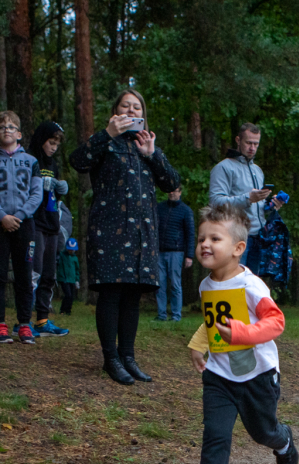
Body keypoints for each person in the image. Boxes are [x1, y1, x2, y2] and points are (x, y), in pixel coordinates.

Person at [183, 203, 298, 464]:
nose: (205, 244)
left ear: (237, 249)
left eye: (214, 239)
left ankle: (284, 440)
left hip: (257, 375)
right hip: (219, 375)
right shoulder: (207, 285)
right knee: (215, 433)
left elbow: (276, 322)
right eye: (201, 238)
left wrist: (242, 333)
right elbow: (212, 321)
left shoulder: (251, 286)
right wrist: (198, 344)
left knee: (262, 432)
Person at [69, 88, 180, 385]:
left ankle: (128, 357)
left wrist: (153, 155)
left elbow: (172, 182)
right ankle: (111, 359)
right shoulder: (106, 141)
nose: (132, 111)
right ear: (116, 111)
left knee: (132, 295)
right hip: (109, 230)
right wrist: (106, 134)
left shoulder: (147, 145)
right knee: (112, 292)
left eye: (137, 107)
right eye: (125, 106)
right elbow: (78, 160)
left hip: (142, 233)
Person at [0, 110, 42, 344]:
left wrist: (20, 215)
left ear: (20, 134)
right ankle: (0, 325)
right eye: (2, 126)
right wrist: (2, 216)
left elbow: (36, 193)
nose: (7, 129)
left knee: (24, 274)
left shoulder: (31, 161)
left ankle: (24, 324)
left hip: (25, 224)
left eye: (11, 126)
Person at [208, 123, 284, 277]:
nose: (252, 147)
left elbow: (256, 207)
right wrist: (248, 198)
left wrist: (271, 206)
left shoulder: (258, 171)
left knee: (252, 286)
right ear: (238, 140)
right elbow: (215, 202)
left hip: (259, 237)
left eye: (256, 144)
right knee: (234, 283)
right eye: (248, 143)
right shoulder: (223, 168)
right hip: (235, 237)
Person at [28, 120, 71, 337]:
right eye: (50, 142)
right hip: (35, 222)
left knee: (48, 273)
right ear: (41, 140)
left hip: (52, 222)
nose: (53, 147)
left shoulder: (53, 164)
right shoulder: (30, 160)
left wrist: (60, 187)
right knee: (33, 271)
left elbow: (55, 193)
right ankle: (24, 319)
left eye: (56, 144)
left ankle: (42, 319)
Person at [155, 184, 195, 322]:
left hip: (176, 252)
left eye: (175, 191)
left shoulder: (186, 211)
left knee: (175, 284)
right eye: (170, 190)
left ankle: (176, 315)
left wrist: (189, 255)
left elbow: (190, 234)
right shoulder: (159, 208)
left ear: (180, 192)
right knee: (159, 284)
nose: (172, 193)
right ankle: (161, 315)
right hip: (160, 251)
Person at [58, 238, 80, 315]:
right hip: (64, 279)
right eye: (69, 249)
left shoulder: (75, 258)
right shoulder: (62, 255)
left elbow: (77, 270)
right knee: (68, 294)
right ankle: (62, 310)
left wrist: (77, 280)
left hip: (72, 280)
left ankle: (68, 311)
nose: (71, 251)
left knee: (71, 296)